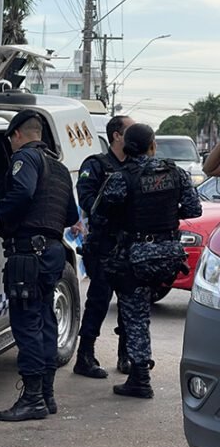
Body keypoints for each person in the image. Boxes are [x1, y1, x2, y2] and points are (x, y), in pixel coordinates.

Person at [0, 109, 79, 421]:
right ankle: (47, 396)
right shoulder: (58, 168)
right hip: (53, 252)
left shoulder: (25, 160)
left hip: (28, 254)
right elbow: (71, 216)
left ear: (17, 135)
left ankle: (32, 400)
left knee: (27, 327)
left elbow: (23, 192)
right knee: (45, 323)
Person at [94, 123, 202, 398]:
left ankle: (140, 378)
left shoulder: (122, 177)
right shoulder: (176, 173)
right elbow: (193, 208)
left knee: (136, 315)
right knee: (141, 313)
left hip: (136, 257)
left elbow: (101, 214)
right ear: (153, 145)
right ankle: (137, 370)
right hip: (169, 256)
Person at [74, 115, 135, 379]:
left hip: (131, 244)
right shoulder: (96, 164)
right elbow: (87, 200)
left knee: (129, 302)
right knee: (98, 301)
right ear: (117, 136)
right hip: (104, 244)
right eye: (130, 130)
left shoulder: (137, 165)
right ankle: (84, 357)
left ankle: (126, 356)